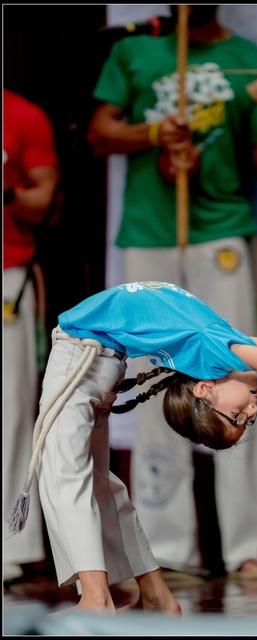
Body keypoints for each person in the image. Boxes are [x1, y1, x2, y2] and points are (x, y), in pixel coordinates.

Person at [7, 280, 257, 613]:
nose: (252, 411)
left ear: (205, 391)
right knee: (96, 484)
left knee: (65, 476)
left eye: (238, 418)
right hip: (96, 359)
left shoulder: (213, 348)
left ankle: (96, 599)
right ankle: (155, 596)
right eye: (245, 420)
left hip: (83, 354)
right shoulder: (219, 342)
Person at [86, 5, 257, 577]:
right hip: (152, 236)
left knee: (235, 381)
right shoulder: (136, 51)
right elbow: (100, 133)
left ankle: (247, 547)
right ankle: (169, 550)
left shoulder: (246, 60)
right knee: (156, 386)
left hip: (220, 231)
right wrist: (155, 133)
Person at [3, 88, 60, 582]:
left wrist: (5, 189)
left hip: (7, 272)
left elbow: (43, 201)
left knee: (11, 411)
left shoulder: (22, 114)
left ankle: (9, 546)